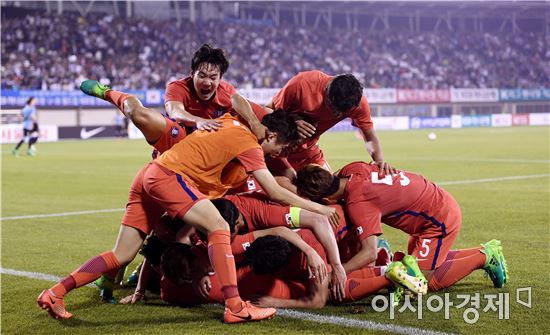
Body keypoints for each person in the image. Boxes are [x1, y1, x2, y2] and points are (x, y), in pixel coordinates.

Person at [37, 91, 337, 323]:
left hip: (149, 174)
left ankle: (55, 293)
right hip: (168, 177)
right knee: (219, 226)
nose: (279, 153)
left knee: (123, 254)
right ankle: (236, 307)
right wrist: (320, 209)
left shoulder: (234, 118)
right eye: (280, 148)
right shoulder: (250, 144)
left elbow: (237, 98)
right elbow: (273, 189)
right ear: (270, 136)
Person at [295, 162, 509, 292]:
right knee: (419, 261)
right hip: (433, 201)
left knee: (425, 281)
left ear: (324, 198)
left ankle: (485, 256)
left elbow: (369, 253)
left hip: (438, 219)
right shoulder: (352, 169)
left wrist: (337, 271)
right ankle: (482, 252)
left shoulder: (359, 203)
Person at [240, 71, 396, 178]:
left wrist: (379, 161)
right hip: (278, 150)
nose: (336, 115)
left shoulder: (357, 103)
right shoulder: (302, 84)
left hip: (308, 152)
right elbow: (267, 110)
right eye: (332, 108)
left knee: (327, 192)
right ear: (326, 89)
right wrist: (292, 121)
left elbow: (369, 137)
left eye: (342, 113)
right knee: (285, 195)